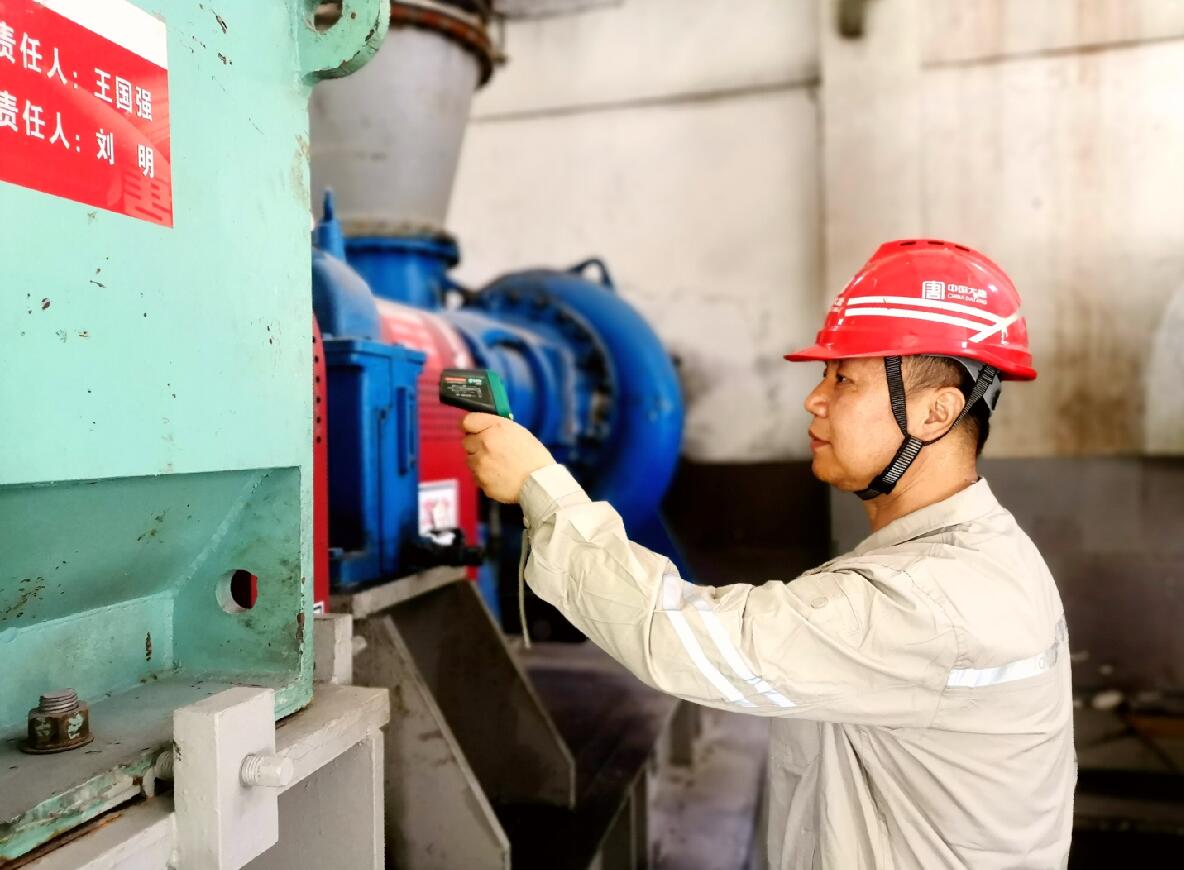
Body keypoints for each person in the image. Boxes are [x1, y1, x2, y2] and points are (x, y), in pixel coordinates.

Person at [460, 239, 1075, 869]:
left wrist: (541, 488)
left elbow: (681, 639)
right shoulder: (986, 553)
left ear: (935, 412)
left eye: (844, 378)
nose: (815, 398)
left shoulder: (931, 599)